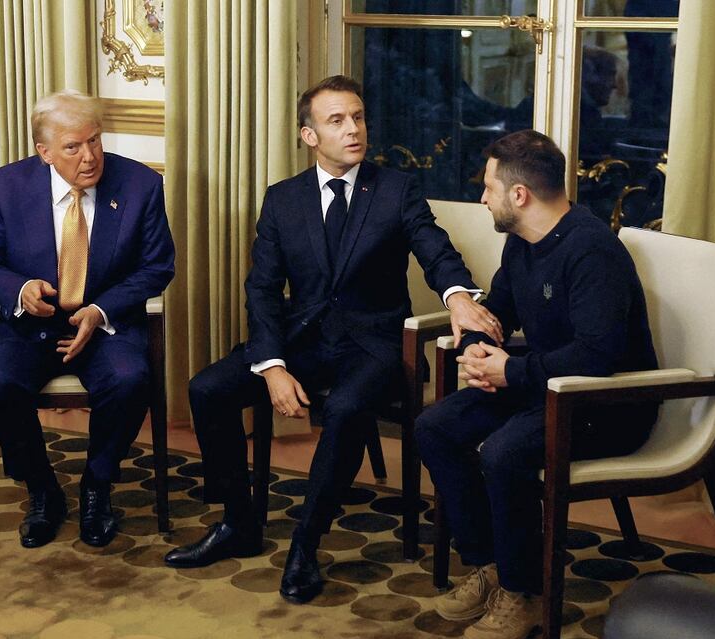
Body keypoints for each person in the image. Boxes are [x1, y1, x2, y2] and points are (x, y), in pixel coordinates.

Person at [163, 75, 502, 604]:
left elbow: (433, 246)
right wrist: (272, 364)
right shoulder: (282, 200)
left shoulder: (396, 189)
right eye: (337, 121)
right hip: (302, 342)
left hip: (375, 347)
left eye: (359, 117)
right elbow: (263, 289)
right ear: (309, 135)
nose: (354, 130)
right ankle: (238, 524)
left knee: (345, 408)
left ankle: (306, 542)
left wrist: (457, 294)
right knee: (207, 389)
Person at [415, 130, 658, 639]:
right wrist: (478, 348)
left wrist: (511, 373)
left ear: (519, 195)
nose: (483, 197)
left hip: (610, 403)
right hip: (546, 386)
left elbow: (597, 356)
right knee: (434, 426)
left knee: (503, 453)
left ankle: (523, 594)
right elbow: (497, 312)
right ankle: (490, 566)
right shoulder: (523, 242)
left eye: (488, 187)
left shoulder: (593, 250)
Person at [0, 90, 175, 549]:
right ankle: (42, 489)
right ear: (44, 152)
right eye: (73, 147)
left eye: (96, 141)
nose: (90, 157)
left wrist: (100, 310)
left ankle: (97, 486)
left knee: (128, 379)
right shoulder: (5, 187)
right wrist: (20, 290)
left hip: (104, 325)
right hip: (29, 326)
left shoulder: (141, 185)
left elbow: (158, 267)